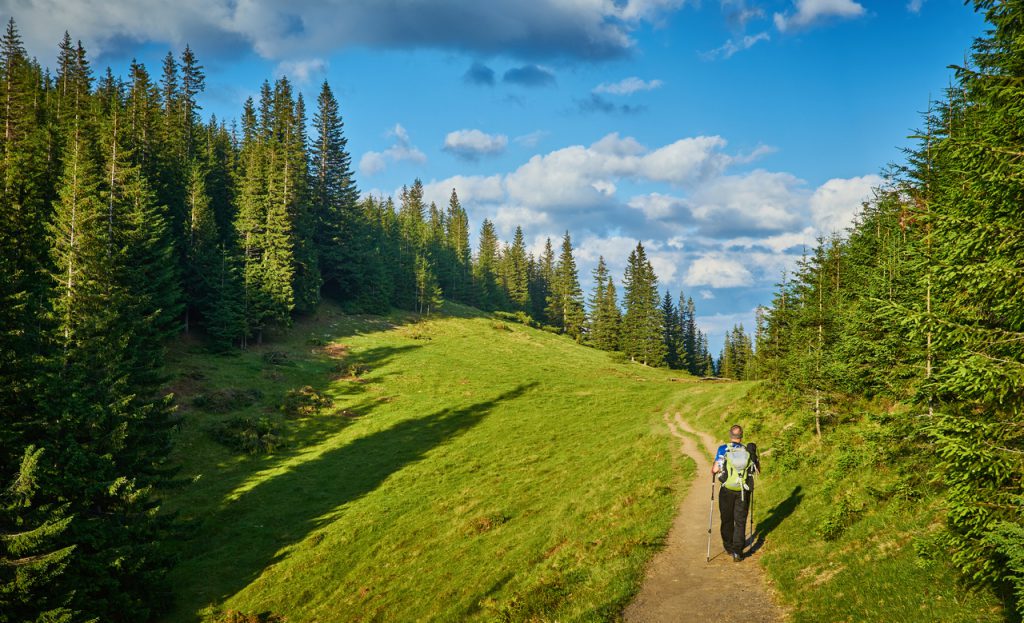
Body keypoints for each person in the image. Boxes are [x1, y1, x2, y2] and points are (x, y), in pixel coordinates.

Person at [711, 424, 759, 562]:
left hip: (727, 490)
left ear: (730, 435)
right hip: (743, 491)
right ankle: (737, 552)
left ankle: (729, 547)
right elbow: (756, 471)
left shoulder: (723, 449)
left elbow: (715, 469)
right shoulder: (747, 450)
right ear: (741, 435)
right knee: (740, 520)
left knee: (727, 519)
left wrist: (715, 470)